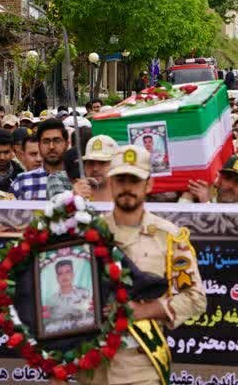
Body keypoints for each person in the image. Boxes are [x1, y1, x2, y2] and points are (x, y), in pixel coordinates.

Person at [91, 145, 207, 385]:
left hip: (140, 367)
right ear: (110, 183)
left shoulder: (169, 237)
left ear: (149, 185)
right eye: (121, 180)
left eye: (134, 180)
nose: (127, 188)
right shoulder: (88, 234)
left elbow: (195, 298)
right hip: (92, 367)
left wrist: (141, 311)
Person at [12, 118, 71, 200]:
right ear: (39, 145)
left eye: (57, 141)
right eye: (46, 141)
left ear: (67, 144)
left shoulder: (78, 180)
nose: (51, 147)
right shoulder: (22, 182)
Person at [44, 259, 94, 335]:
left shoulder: (85, 293)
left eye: (67, 272)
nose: (64, 276)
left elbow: (92, 318)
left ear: (73, 275)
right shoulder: (51, 301)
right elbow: (49, 326)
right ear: (57, 278)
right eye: (60, 273)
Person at [76, 135, 116, 202]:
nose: (95, 168)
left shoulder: (125, 198)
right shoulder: (75, 197)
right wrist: (73, 200)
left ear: (115, 165)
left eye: (102, 162)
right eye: (91, 162)